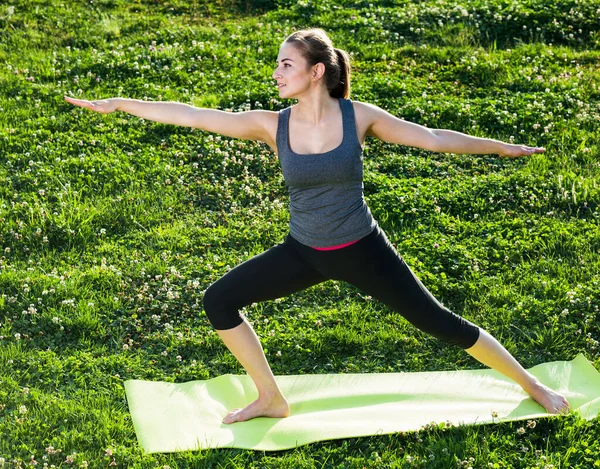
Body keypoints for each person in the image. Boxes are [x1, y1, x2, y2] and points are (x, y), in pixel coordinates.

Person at [65, 27, 570, 424]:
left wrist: (502, 148)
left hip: (363, 250)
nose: (277, 72)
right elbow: (195, 115)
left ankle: (533, 386)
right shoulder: (273, 124)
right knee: (218, 300)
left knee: (439, 322)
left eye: (287, 64)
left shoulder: (359, 118)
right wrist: (120, 105)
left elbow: (433, 138)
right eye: (278, 64)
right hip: (304, 251)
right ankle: (270, 398)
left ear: (316, 71)